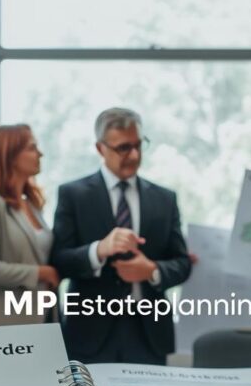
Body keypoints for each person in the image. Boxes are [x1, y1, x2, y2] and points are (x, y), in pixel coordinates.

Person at [51, 108, 192, 364]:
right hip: (89, 334)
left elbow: (182, 264)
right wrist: (98, 250)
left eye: (139, 145)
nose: (135, 155)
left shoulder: (165, 199)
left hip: (149, 335)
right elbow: (59, 261)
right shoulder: (73, 195)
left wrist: (151, 270)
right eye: (124, 148)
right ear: (100, 148)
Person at [0, 124, 58, 326]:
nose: (40, 154)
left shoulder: (30, 204)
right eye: (32, 148)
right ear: (9, 154)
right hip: (0, 322)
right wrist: (41, 273)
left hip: (36, 319)